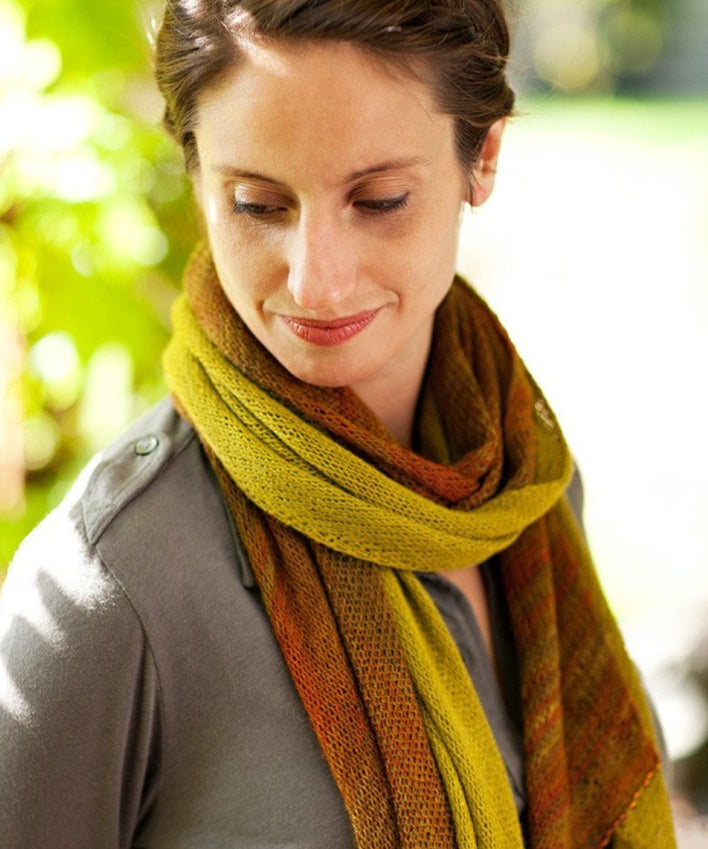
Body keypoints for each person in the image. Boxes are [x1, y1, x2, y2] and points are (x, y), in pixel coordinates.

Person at [0, 1, 677, 847]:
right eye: (256, 204)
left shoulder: (526, 481)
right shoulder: (119, 586)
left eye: (380, 199)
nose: (317, 282)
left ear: (485, 156)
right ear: (197, 171)